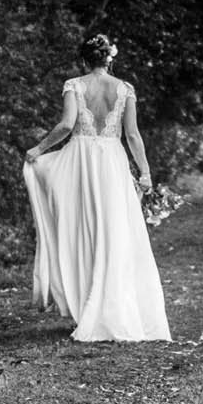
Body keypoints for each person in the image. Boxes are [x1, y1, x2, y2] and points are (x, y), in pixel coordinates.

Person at [21, 33, 171, 341]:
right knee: (114, 231)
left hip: (80, 162)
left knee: (82, 229)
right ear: (110, 58)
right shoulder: (125, 89)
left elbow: (66, 125)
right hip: (112, 164)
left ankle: (89, 303)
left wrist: (39, 149)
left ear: (84, 60)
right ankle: (111, 306)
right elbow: (132, 136)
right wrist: (145, 172)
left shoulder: (74, 85)